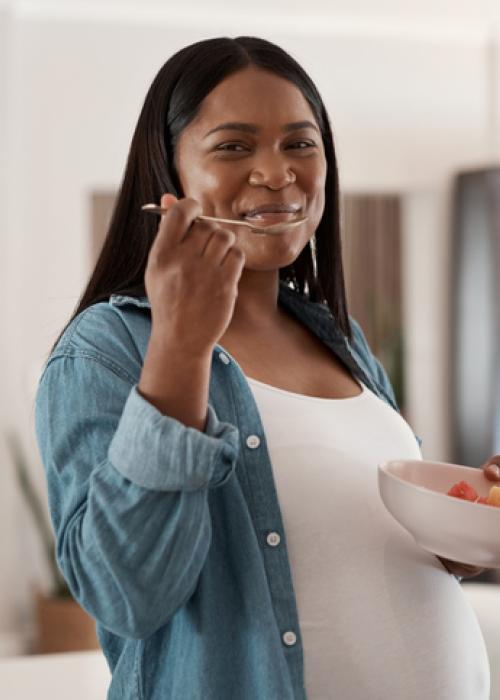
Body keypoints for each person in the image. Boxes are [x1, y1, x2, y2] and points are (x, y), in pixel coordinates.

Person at [34, 36, 499, 700]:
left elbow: (361, 550)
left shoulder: (340, 338)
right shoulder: (106, 350)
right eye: (234, 146)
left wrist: (466, 526)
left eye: (301, 144)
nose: (278, 173)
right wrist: (180, 349)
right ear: (169, 175)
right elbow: (126, 593)